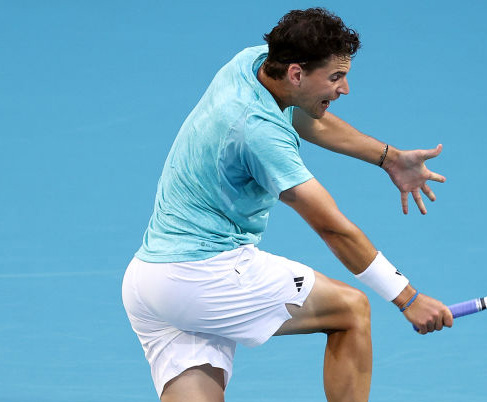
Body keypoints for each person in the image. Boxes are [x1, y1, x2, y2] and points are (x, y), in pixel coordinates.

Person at [122, 7, 453, 402]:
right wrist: (408, 298)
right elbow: (332, 226)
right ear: (297, 73)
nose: (344, 89)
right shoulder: (258, 132)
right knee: (349, 311)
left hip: (149, 283)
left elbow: (306, 116)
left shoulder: (252, 63)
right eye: (335, 77)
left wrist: (389, 158)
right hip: (202, 277)